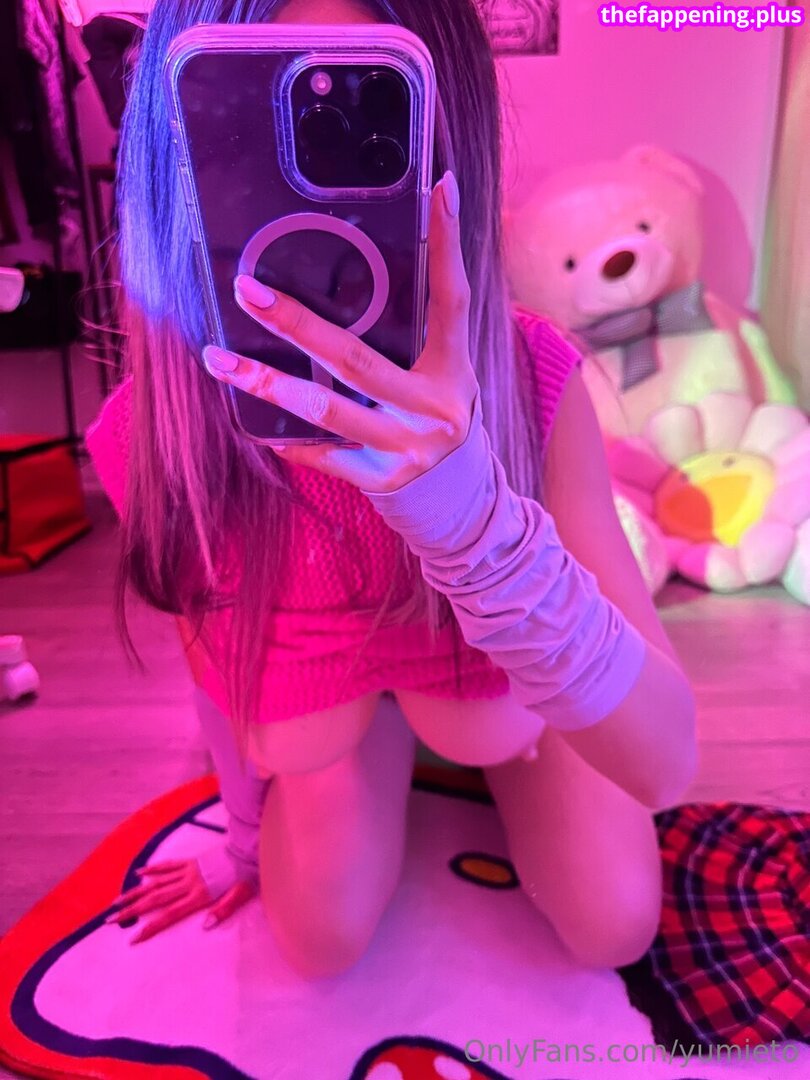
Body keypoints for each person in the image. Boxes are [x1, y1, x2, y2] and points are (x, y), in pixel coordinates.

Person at [88, 0, 696, 977]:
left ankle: (450, 733)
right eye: (249, 141)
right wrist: (240, 836)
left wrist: (472, 522)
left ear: (452, 147)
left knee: (614, 921)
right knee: (320, 938)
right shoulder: (158, 431)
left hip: (499, 663)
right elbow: (214, 661)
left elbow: (667, 760)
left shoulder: (529, 376)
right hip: (328, 688)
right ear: (177, 163)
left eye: (370, 128)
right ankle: (386, 739)